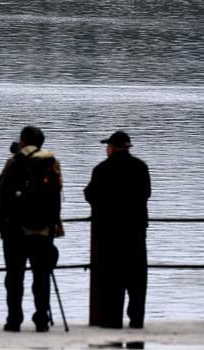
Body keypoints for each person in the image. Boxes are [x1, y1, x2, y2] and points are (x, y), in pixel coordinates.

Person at [0, 126, 62, 332]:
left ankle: (14, 319)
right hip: (45, 230)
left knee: (14, 277)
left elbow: (0, 185)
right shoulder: (52, 163)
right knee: (42, 276)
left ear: (23, 142)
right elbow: (58, 189)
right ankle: (41, 319)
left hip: (15, 230)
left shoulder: (15, 162)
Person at [84, 130, 151, 329]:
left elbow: (90, 195)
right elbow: (146, 193)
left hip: (109, 232)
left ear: (112, 148)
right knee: (137, 278)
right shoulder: (140, 167)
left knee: (112, 279)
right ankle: (136, 319)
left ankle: (112, 320)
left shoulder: (102, 169)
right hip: (135, 231)